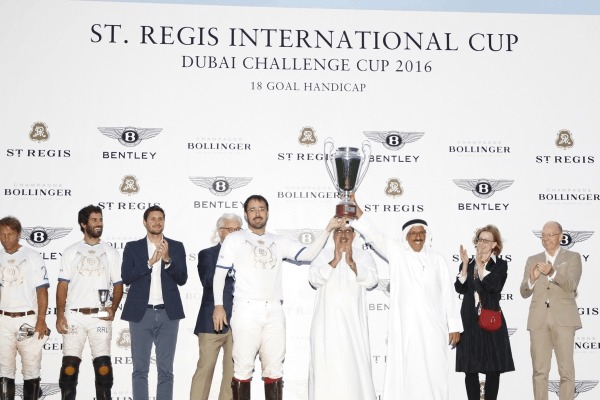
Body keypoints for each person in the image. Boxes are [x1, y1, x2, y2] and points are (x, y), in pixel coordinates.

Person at [212, 194, 340, 400]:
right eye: (252, 209)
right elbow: (219, 274)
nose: (257, 213)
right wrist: (218, 306)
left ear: (268, 212)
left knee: (274, 368)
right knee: (242, 368)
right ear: (245, 214)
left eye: (261, 209)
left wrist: (328, 229)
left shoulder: (278, 241)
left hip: (274, 311)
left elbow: (307, 254)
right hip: (245, 310)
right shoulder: (234, 239)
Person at [349, 202, 463, 400]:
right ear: (406, 237)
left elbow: (448, 294)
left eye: (421, 233)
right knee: (409, 372)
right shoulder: (397, 253)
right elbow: (374, 234)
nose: (418, 237)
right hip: (407, 328)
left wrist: (454, 326)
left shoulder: (438, 260)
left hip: (434, 328)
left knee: (435, 371)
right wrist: (356, 209)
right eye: (413, 233)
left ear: (426, 235)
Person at [56, 205, 123, 400]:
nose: (98, 223)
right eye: (94, 220)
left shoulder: (111, 252)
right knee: (69, 368)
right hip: (74, 316)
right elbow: (62, 285)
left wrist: (113, 308)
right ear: (83, 224)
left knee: (103, 369)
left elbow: (118, 284)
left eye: (100, 219)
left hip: (100, 316)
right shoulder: (71, 251)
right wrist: (60, 315)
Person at [121, 205, 188, 400]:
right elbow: (126, 277)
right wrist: (149, 263)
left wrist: (167, 260)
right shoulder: (133, 247)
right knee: (140, 370)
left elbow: (182, 278)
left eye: (160, 219)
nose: (157, 222)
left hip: (168, 314)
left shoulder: (176, 246)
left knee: (166, 371)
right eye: (153, 219)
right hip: (141, 314)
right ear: (145, 222)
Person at [308, 224, 378, 400]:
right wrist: (335, 260)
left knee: (353, 371)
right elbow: (314, 279)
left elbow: (372, 280)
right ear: (333, 235)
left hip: (353, 327)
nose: (343, 235)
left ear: (354, 235)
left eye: (348, 231)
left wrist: (352, 263)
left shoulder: (363, 256)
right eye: (339, 231)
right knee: (326, 368)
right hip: (326, 325)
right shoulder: (322, 255)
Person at [520, 221, 582, 400]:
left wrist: (553, 273)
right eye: (543, 235)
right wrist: (532, 279)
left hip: (564, 319)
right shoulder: (532, 259)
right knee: (539, 371)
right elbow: (524, 292)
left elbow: (572, 285)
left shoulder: (573, 257)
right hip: (538, 320)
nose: (546, 239)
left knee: (566, 371)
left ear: (561, 237)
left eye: (550, 235)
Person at [454, 225, 515, 400]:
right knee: (470, 369)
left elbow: (493, 286)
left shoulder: (500, 265)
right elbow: (460, 288)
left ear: (495, 244)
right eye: (480, 239)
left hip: (490, 320)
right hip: (469, 321)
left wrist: (481, 269)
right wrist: (465, 266)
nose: (482, 243)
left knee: (493, 369)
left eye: (486, 240)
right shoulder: (468, 263)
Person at [190, 213, 242, 400]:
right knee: (204, 370)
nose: (234, 233)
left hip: (239, 322)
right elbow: (208, 281)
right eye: (230, 229)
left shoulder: (246, 255)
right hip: (211, 321)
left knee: (232, 375)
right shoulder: (208, 254)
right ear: (220, 231)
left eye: (238, 230)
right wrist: (228, 266)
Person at [0, 216, 50, 400]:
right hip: (3, 320)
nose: (6, 238)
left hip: (28, 320)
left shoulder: (32, 256)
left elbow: (42, 290)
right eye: (2, 234)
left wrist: (41, 320)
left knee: (31, 369)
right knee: (4, 370)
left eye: (10, 234)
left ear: (19, 234)